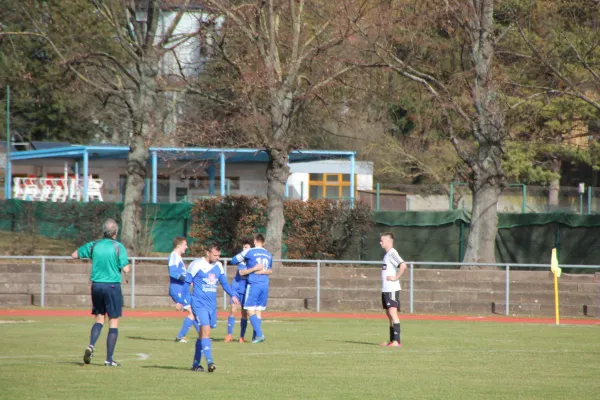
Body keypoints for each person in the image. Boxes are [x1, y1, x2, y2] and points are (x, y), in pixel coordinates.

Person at [72, 218, 130, 366]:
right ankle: (109, 359)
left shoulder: (94, 245)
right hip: (112, 286)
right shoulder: (118, 247)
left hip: (96, 286)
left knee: (99, 318)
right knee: (113, 321)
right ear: (115, 233)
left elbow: (74, 254)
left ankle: (91, 345)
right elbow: (126, 268)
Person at [187, 243, 239, 372]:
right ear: (207, 253)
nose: (217, 257)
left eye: (219, 255)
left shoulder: (219, 266)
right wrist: (183, 301)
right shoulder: (196, 264)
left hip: (211, 305)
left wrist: (232, 295)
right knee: (206, 332)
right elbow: (186, 282)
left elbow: (224, 283)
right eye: (215, 255)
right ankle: (210, 362)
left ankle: (195, 364)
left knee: (202, 335)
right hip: (199, 304)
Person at [230, 233, 272, 344]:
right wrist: (262, 271)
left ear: (254, 241)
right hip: (265, 284)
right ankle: (255, 338)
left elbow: (233, 260)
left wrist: (248, 264)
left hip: (254, 284)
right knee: (258, 310)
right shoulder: (268, 254)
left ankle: (260, 334)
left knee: (248, 308)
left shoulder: (250, 251)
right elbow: (270, 270)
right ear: (263, 242)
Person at [168, 236, 199, 343]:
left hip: (182, 289)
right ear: (179, 245)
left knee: (194, 312)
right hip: (177, 290)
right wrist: (187, 279)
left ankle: (203, 335)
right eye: (185, 245)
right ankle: (180, 336)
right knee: (192, 313)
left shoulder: (178, 257)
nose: (187, 247)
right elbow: (173, 273)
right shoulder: (174, 256)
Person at [379, 232, 407, 348]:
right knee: (388, 313)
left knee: (392, 313)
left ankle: (397, 341)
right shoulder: (387, 255)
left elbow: (403, 265)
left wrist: (396, 277)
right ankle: (392, 341)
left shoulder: (392, 253)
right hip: (386, 289)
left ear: (389, 242)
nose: (380, 242)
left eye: (382, 241)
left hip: (392, 289)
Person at [225, 239, 253, 343]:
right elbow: (241, 272)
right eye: (243, 248)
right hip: (237, 286)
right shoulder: (241, 259)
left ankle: (241, 337)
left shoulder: (253, 259)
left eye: (247, 248)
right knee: (233, 308)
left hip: (246, 287)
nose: (244, 250)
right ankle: (229, 334)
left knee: (244, 313)